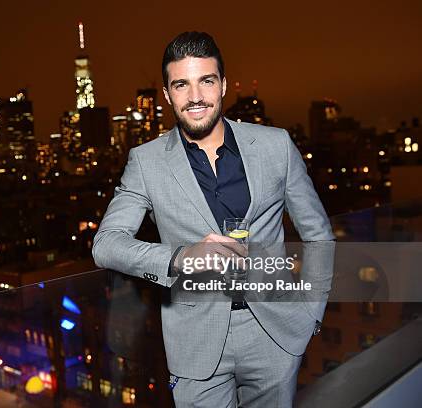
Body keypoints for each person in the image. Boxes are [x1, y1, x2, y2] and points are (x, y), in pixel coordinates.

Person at [92, 31, 335, 407]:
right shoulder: (146, 161)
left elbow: (318, 234)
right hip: (195, 342)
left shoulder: (275, 145)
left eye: (206, 81)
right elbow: (106, 245)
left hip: (275, 334)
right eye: (181, 85)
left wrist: (311, 314)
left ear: (223, 85)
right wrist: (179, 257)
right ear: (167, 93)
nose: (195, 97)